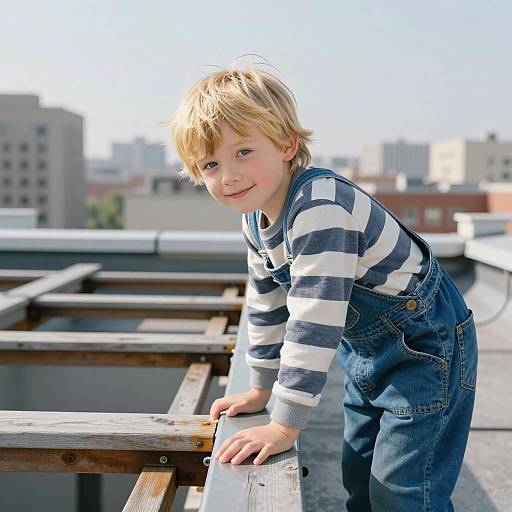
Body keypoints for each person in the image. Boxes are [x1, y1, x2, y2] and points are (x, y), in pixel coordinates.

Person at [169, 60, 478, 511]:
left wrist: (284, 424)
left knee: (405, 491)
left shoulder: (320, 208)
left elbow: (314, 318)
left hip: (426, 351)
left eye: (243, 152)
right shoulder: (255, 220)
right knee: (359, 475)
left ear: (287, 145)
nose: (228, 175)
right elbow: (267, 307)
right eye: (211, 163)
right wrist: (260, 387)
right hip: (368, 352)